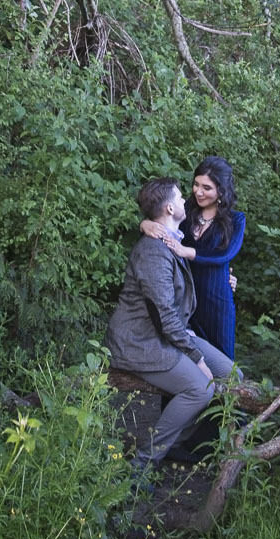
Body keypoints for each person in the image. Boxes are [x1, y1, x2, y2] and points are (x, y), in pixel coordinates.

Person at [105, 177, 241, 473]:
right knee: (201, 389)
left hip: (169, 332)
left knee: (232, 376)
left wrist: (227, 279)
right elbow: (163, 315)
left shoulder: (172, 238)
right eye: (181, 198)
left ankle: (173, 445)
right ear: (168, 208)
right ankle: (142, 464)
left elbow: (213, 258)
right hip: (140, 341)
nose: (186, 202)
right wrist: (196, 358)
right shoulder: (153, 251)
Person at [140, 156, 245, 360]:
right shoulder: (185, 209)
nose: (198, 191)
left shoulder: (235, 220)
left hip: (216, 301)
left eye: (207, 188)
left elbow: (224, 255)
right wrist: (144, 224)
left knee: (222, 366)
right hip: (182, 296)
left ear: (221, 191)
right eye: (196, 184)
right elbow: (160, 220)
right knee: (181, 357)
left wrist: (184, 250)